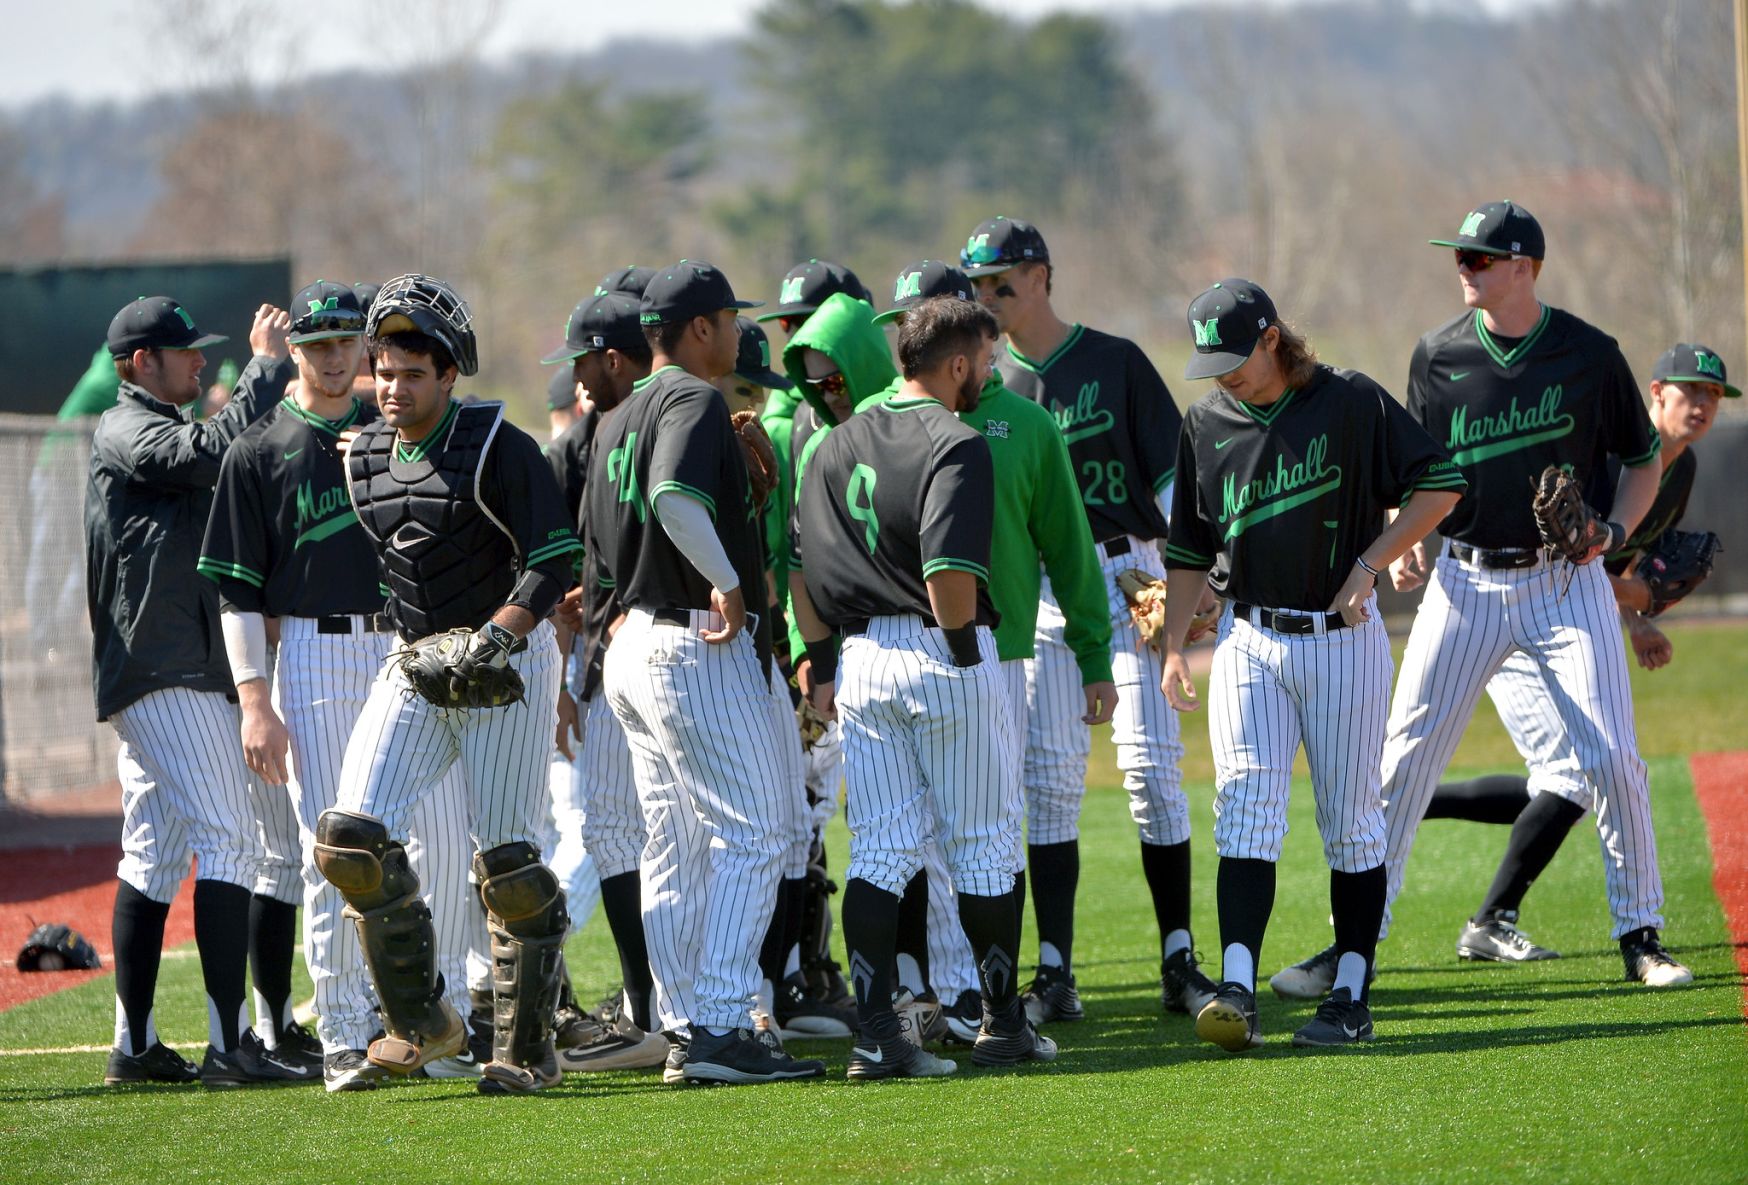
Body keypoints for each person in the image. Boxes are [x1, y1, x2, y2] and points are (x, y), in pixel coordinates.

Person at [1270, 201, 1692, 997]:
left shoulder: (1588, 353)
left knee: (1611, 757)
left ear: (1525, 265)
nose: (1463, 268)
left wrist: (1612, 529)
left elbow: (1641, 459)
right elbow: (1414, 473)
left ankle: (1642, 935)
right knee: (1400, 763)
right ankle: (1350, 947)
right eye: (1460, 257)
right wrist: (1407, 539)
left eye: (1479, 258)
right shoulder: (1437, 356)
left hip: (1563, 581)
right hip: (1464, 583)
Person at [1159, 279, 1466, 1050]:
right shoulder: (1205, 422)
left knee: (1353, 824)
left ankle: (1352, 994)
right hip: (1248, 639)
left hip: (1341, 637)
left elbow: (1442, 484)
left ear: (1271, 338)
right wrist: (1172, 645)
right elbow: (1192, 548)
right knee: (1245, 811)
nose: (1222, 373)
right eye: (1211, 360)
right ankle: (1236, 985)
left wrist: (1370, 563)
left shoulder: (1350, 401)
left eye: (1234, 356)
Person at [197, 279, 483, 1091]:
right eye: (314, 343)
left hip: (405, 647)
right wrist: (255, 701)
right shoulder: (259, 449)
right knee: (339, 851)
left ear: (366, 347)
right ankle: (347, 1035)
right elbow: (237, 592)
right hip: (315, 657)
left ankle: (441, 1017)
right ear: (294, 351)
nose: (330, 357)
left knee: (443, 831)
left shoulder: (394, 433)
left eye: (343, 342)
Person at [316, 273, 582, 1095]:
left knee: (506, 863)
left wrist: (502, 635)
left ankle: (525, 1051)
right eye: (384, 371)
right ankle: (424, 1020)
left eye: (412, 374)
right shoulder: (360, 454)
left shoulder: (502, 446)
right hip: (419, 659)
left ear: (449, 374)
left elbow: (553, 558)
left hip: (508, 659)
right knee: (349, 838)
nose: (394, 389)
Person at [791, 294, 1053, 1078]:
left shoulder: (833, 444)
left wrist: (824, 660)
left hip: (862, 655)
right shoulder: (957, 439)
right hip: (942, 646)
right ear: (960, 362)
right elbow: (946, 573)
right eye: (986, 357)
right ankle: (1002, 1024)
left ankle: (876, 1034)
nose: (992, 371)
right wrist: (966, 651)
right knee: (984, 842)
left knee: (878, 848)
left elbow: (798, 572)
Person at [958, 215, 1209, 1020]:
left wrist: (1194, 578)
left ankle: (1179, 957)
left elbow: (1173, 483)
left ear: (1042, 275)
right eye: (977, 284)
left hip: (1126, 569)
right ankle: (1056, 969)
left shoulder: (1113, 361)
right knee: (1051, 781)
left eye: (1003, 279)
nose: (989, 295)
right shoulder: (985, 390)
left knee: (1150, 768)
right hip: (1037, 585)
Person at [586, 259, 826, 1085]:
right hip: (694, 638)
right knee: (756, 830)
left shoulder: (617, 415)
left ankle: (687, 1018)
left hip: (634, 642)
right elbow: (672, 502)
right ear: (700, 328)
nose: (735, 331)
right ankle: (723, 1020)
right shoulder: (691, 398)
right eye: (728, 318)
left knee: (678, 841)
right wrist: (728, 580)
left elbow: (610, 544)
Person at [1420, 341, 1735, 962]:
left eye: (1714, 395)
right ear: (1656, 393)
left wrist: (1638, 615)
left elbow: (1614, 561)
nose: (1702, 404)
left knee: (1570, 775)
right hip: (1510, 605)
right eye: (1690, 390)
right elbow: (1575, 560)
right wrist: (1638, 594)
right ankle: (1488, 917)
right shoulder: (1616, 454)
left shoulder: (1682, 468)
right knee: (1572, 773)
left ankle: (1410, 802)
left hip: (1567, 614)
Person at [869, 261, 1115, 1042]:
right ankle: (943, 993)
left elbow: (1071, 552)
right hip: (900, 649)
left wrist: (1095, 654)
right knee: (915, 835)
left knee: (984, 830)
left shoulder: (1027, 423)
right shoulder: (875, 420)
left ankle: (980, 994)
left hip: (994, 654)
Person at [87, 295, 310, 1086]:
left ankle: (136, 1045)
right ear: (142, 361)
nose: (198, 361)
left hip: (166, 665)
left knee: (153, 852)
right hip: (166, 667)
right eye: (184, 352)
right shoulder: (124, 425)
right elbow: (207, 454)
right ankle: (230, 1045)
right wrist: (264, 366)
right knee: (230, 838)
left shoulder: (157, 424)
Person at [541, 289, 673, 1073]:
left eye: (586, 363)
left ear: (616, 356)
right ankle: (644, 1004)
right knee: (616, 830)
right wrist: (567, 659)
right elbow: (560, 562)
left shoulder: (670, 418)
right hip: (600, 656)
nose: (578, 380)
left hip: (672, 641)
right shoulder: (576, 446)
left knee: (688, 830)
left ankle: (710, 1000)